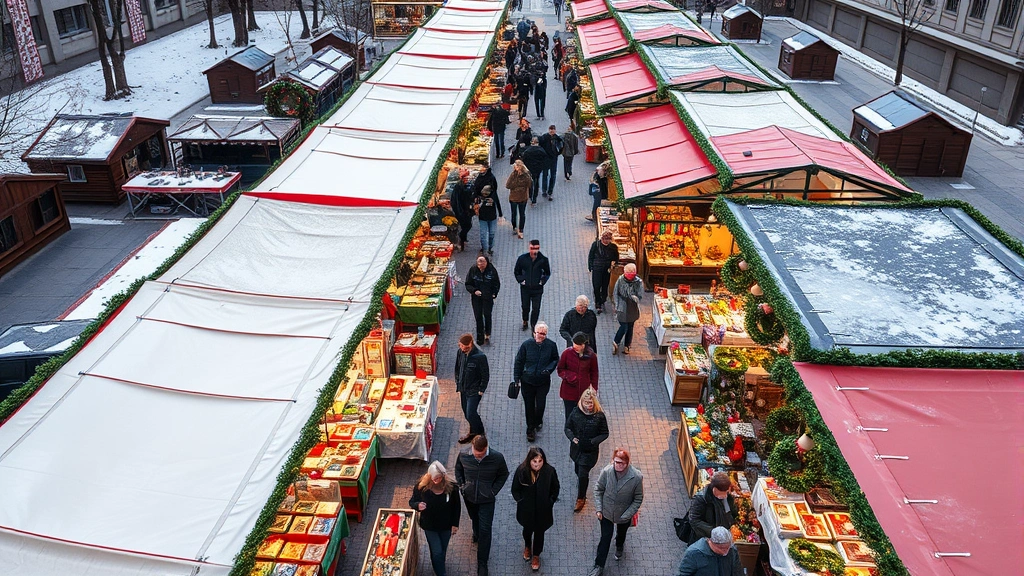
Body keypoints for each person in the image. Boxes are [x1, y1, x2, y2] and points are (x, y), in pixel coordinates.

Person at [456, 435, 510, 576]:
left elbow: (504, 474)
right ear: (472, 447)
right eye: (476, 454)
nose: (478, 457)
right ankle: (476, 532)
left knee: (485, 529)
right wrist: (462, 486)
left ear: (486, 448)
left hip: (487, 499)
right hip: (469, 497)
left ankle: (482, 563)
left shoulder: (497, 458)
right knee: (474, 518)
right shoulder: (463, 454)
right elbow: (458, 470)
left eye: (481, 455)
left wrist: (493, 491)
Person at [588, 448, 644, 575]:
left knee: (621, 533)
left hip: (624, 514)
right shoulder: (607, 471)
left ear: (627, 463)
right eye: (616, 462)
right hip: (606, 513)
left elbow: (638, 498)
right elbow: (598, 490)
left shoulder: (636, 477)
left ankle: (619, 545)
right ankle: (599, 566)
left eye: (621, 463)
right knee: (605, 538)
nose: (618, 465)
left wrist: (628, 514)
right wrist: (599, 509)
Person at [511, 446, 560, 572]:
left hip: (543, 511)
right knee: (527, 530)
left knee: (539, 533)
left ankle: (536, 555)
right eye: (534, 461)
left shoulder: (549, 471)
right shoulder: (522, 471)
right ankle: (528, 546)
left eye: (540, 461)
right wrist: (521, 502)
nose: (537, 464)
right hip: (526, 510)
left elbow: (555, 488)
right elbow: (515, 489)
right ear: (529, 461)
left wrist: (550, 502)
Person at [409, 461, 462, 576]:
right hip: (430, 526)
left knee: (442, 550)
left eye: (439, 478)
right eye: (434, 478)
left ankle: (439, 565)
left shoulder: (452, 488)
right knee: (437, 551)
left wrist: (455, 524)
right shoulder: (421, 487)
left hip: (446, 526)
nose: (437, 480)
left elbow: (456, 507)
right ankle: (441, 573)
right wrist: (417, 505)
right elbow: (412, 502)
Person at [513, 321, 560, 442]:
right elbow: (519, 361)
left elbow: (555, 359)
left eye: (544, 334)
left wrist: (548, 370)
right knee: (529, 406)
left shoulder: (551, 345)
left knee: (540, 405)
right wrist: (517, 378)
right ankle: (530, 429)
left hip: (542, 381)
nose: (541, 336)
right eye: (539, 333)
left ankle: (538, 420)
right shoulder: (526, 345)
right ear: (534, 333)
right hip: (527, 381)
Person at [564, 387, 607, 512]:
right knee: (577, 470)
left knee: (583, 474)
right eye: (586, 402)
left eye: (591, 402)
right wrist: (572, 438)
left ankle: (581, 498)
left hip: (590, 452)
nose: (589, 405)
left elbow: (605, 433)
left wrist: (593, 441)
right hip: (577, 450)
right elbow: (568, 428)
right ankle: (581, 486)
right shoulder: (576, 412)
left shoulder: (599, 416)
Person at [455, 333, 489, 444]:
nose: (461, 348)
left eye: (463, 346)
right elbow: (457, 367)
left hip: (474, 390)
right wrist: (457, 381)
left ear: (470, 344)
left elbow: (485, 375)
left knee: (471, 413)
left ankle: (480, 433)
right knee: (466, 412)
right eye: (460, 345)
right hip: (463, 388)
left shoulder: (480, 357)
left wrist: (481, 390)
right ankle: (473, 432)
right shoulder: (460, 352)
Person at [558, 333, 599, 419]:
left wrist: (594, 388)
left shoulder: (591, 356)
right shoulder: (567, 353)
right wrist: (569, 376)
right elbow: (560, 369)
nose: (575, 347)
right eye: (574, 344)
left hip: (584, 393)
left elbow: (594, 372)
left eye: (578, 345)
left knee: (583, 416)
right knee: (570, 416)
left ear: (584, 345)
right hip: (569, 392)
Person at [689, 472, 737, 543]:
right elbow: (694, 520)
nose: (724, 495)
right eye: (721, 492)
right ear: (714, 489)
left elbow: (732, 511)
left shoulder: (728, 496)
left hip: (724, 533)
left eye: (726, 492)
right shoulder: (701, 498)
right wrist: (714, 532)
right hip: (707, 537)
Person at [514, 239, 551, 330]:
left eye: (536, 248)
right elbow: (516, 272)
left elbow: (547, 273)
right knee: (525, 306)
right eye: (532, 248)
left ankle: (533, 325)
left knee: (536, 308)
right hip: (525, 288)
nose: (534, 251)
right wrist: (521, 280)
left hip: (537, 289)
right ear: (529, 247)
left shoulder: (543, 260)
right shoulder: (522, 259)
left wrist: (542, 281)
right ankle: (525, 320)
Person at [677, 526, 743, 576]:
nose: (725, 551)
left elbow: (738, 572)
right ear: (710, 542)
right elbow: (683, 574)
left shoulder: (732, 550)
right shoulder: (694, 553)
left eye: (728, 547)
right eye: (721, 548)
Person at [465, 256, 500, 345]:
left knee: (487, 315)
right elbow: (468, 284)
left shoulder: (491, 271)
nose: (480, 265)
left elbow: (496, 283)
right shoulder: (473, 270)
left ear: (486, 263)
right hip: (476, 298)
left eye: (482, 263)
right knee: (478, 317)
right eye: (479, 264)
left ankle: (487, 332)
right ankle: (480, 338)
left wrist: (494, 293)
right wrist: (474, 291)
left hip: (488, 297)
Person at [612, 263, 644, 355]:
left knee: (630, 326)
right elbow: (615, 292)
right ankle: (616, 341)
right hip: (622, 305)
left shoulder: (638, 282)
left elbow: (640, 295)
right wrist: (616, 305)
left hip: (632, 307)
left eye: (632, 272)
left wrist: (636, 298)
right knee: (624, 326)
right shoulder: (620, 279)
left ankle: (627, 345)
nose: (630, 274)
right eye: (628, 272)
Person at [587, 231, 618, 314]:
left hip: (606, 269)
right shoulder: (596, 245)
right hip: (597, 268)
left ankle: (603, 299)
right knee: (596, 286)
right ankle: (598, 302)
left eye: (608, 240)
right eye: (605, 239)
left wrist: (614, 263)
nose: (606, 241)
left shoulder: (613, 247)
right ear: (602, 239)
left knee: (605, 286)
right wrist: (590, 266)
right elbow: (591, 255)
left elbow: (616, 257)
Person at [506, 159, 532, 239]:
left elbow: (508, 185)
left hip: (515, 197)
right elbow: (530, 184)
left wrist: (515, 186)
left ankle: (516, 228)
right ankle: (520, 230)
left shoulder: (514, 175)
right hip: (522, 197)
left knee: (515, 213)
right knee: (522, 214)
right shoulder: (526, 175)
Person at [475, 185, 503, 256]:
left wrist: (500, 214)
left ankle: (490, 248)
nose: (484, 195)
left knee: (492, 234)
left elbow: (498, 203)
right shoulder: (479, 196)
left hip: (492, 218)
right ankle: (485, 250)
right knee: (483, 235)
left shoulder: (493, 195)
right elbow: (475, 204)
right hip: (482, 218)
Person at [451, 168, 474, 252]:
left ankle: (463, 240)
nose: (467, 180)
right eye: (466, 178)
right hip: (461, 211)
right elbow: (456, 200)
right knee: (466, 225)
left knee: (467, 225)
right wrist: (458, 211)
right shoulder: (459, 187)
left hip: (466, 211)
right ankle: (462, 239)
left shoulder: (466, 186)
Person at [537, 124, 562, 200]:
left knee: (553, 175)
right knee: (545, 175)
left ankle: (550, 191)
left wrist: (558, 153)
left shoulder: (557, 138)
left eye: (553, 129)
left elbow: (561, 146)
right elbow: (539, 146)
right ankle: (544, 190)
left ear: (555, 130)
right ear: (549, 130)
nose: (552, 131)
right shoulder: (544, 137)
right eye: (551, 129)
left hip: (553, 159)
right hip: (546, 159)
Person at [521, 137, 548, 205]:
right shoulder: (541, 150)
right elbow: (545, 160)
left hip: (530, 169)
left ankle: (530, 195)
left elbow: (523, 160)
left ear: (531, 142)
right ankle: (534, 198)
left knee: (530, 182)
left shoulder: (527, 151)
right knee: (536, 182)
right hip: (538, 169)